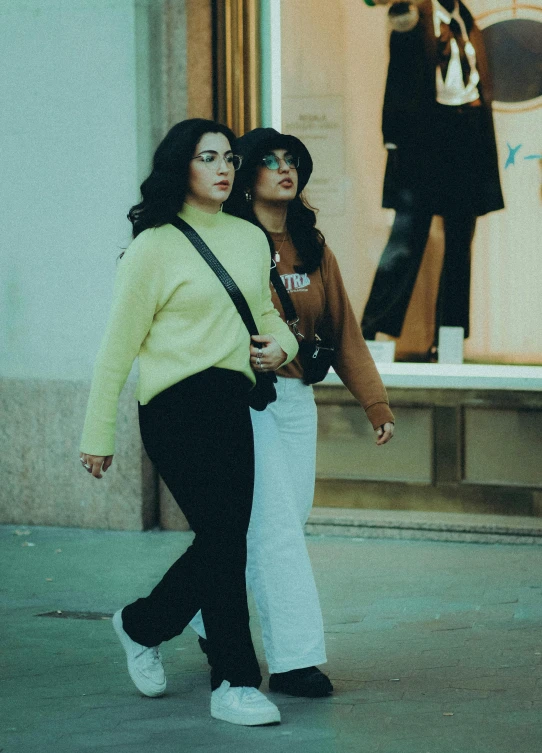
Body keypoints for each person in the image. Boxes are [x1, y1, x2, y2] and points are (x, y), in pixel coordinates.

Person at [78, 118, 299, 726]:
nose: (225, 168)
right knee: (226, 542)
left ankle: (141, 623)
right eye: (209, 158)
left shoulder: (249, 239)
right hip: (175, 412)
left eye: (230, 158)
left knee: (225, 540)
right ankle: (233, 682)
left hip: (230, 407)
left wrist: (280, 346)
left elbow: (264, 313)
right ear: (183, 166)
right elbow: (116, 349)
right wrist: (98, 436)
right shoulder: (152, 248)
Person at [190, 127, 395, 698]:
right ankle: (294, 660)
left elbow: (344, 331)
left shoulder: (312, 246)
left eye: (293, 161)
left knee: (282, 523)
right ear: (247, 174)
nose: (285, 169)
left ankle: (207, 616)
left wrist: (374, 402)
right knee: (277, 531)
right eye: (270, 161)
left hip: (298, 399)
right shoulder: (231, 239)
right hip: (246, 402)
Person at [361, 0, 504, 356]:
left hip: (468, 137)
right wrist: (392, 139)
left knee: (459, 242)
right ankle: (370, 331)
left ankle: (449, 339)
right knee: (408, 238)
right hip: (425, 142)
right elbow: (396, 79)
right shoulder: (414, 19)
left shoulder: (467, 21)